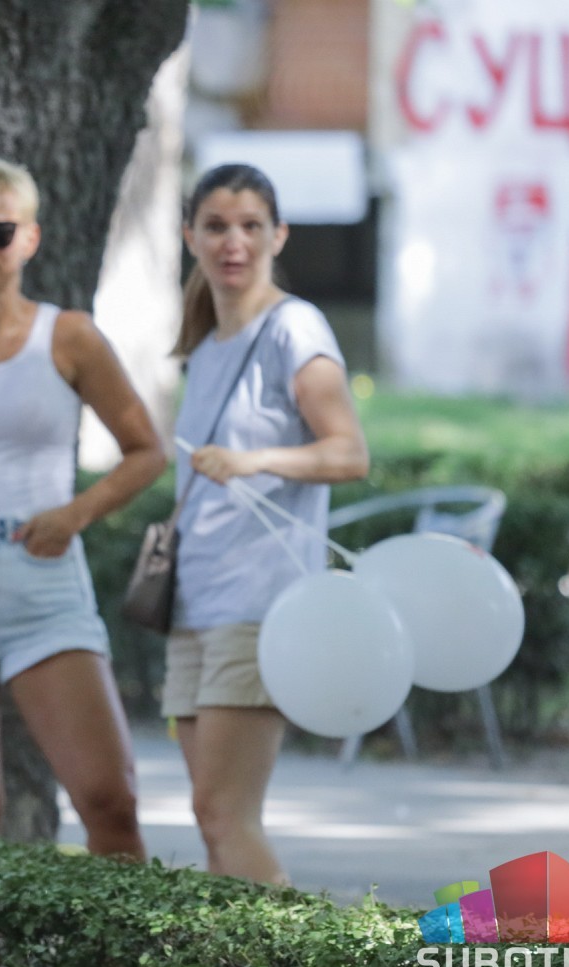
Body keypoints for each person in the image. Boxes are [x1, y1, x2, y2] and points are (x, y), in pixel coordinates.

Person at [0, 158, 164, 860]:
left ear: (29, 239)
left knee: (110, 800)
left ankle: (119, 939)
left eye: (0, 232)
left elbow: (147, 450)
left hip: (40, 575)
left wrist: (74, 515)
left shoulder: (67, 336)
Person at [166, 163, 369, 885]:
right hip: (194, 603)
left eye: (251, 226)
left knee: (228, 814)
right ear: (190, 235)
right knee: (209, 817)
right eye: (217, 226)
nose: (234, 242)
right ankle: (233, 954)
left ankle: (293, 950)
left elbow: (349, 453)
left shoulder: (294, 328)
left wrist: (254, 461)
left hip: (259, 606)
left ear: (278, 235)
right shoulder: (206, 344)